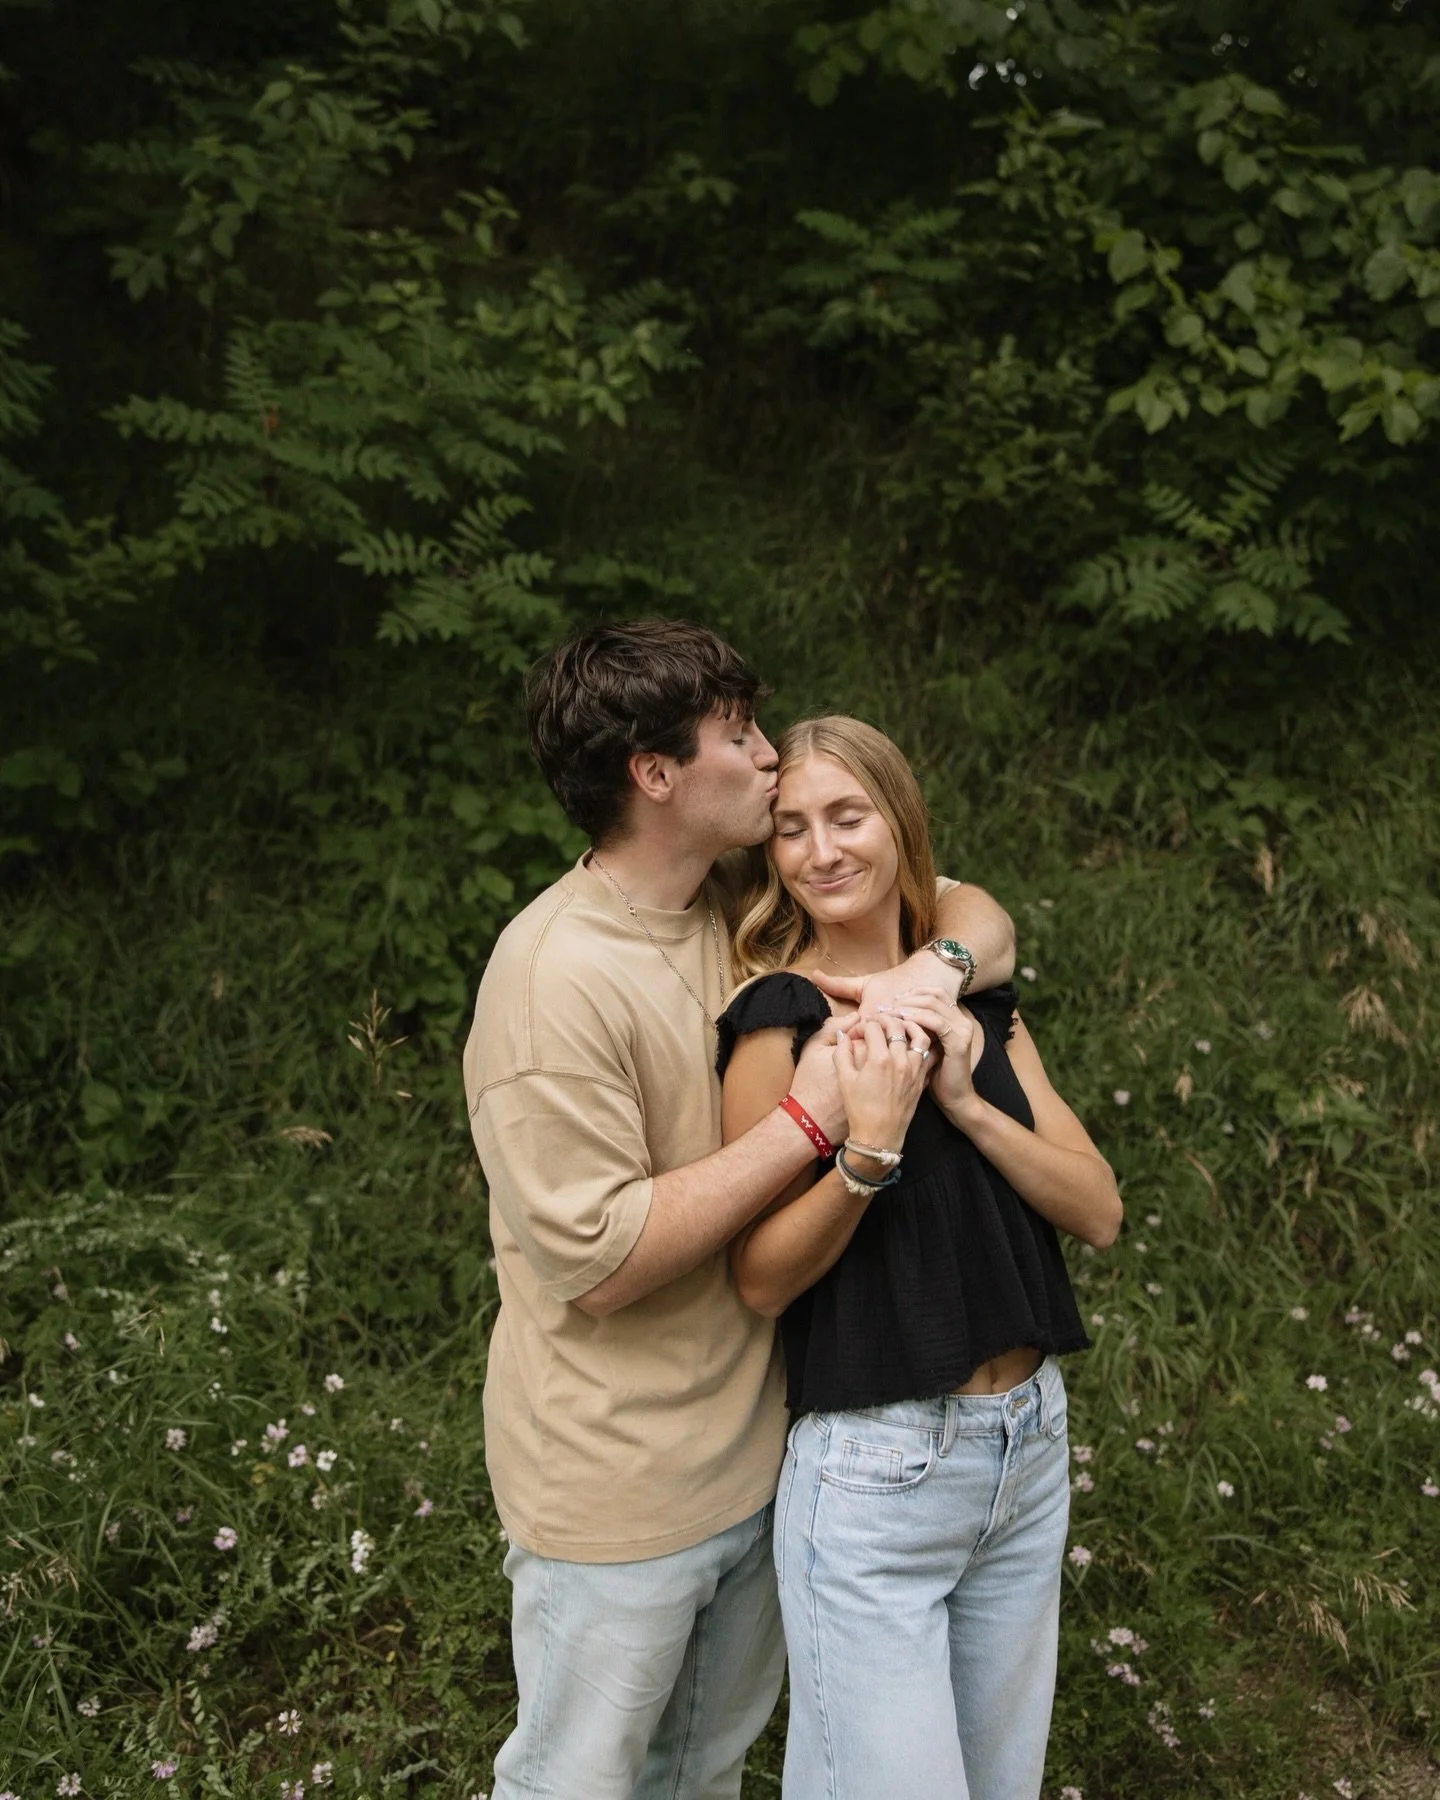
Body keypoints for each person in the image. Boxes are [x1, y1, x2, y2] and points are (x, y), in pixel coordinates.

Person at [463, 621, 1017, 1800]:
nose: (769, 755)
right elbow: (602, 1263)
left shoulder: (735, 904)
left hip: (761, 1458)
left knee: (701, 1776)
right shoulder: (552, 978)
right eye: (738, 735)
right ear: (656, 775)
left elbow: (968, 904)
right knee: (577, 1783)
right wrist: (813, 1122)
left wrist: (936, 972)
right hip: (619, 1490)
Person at [717, 715, 1122, 1800]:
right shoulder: (779, 1019)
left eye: (847, 817)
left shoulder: (974, 994)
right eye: (792, 829)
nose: (821, 851)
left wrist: (968, 1104)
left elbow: (1098, 1210)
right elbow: (759, 1279)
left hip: (1026, 1448)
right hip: (874, 1472)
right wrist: (869, 1151)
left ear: (899, 821)